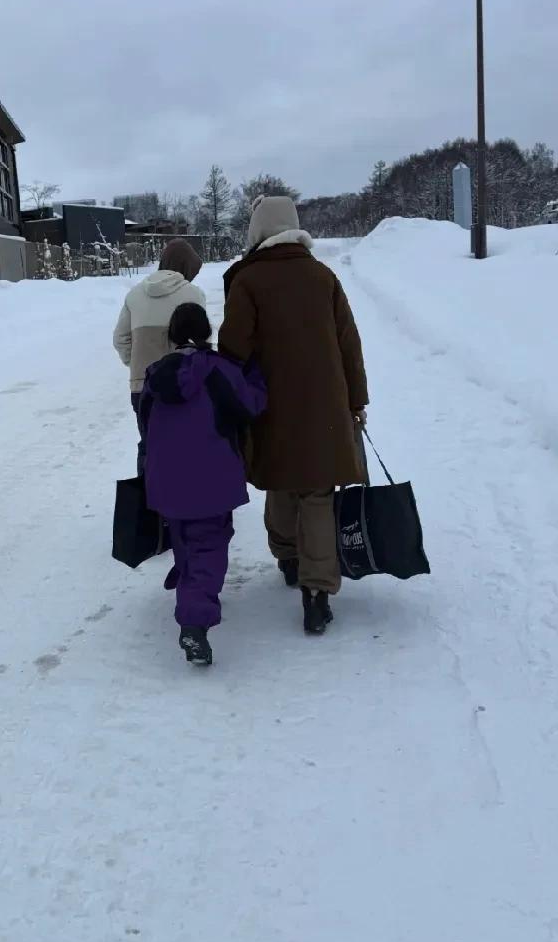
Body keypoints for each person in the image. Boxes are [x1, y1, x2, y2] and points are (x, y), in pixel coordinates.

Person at [218, 195, 369, 636]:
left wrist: (227, 398)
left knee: (281, 480)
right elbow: (349, 345)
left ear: (258, 231)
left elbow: (234, 348)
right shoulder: (324, 277)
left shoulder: (248, 281)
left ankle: (287, 557)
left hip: (271, 405)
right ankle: (317, 592)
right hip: (324, 405)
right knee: (317, 492)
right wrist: (355, 400)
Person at [140, 303, 267, 665]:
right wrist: (255, 372)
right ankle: (194, 622)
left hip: (165, 477)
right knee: (209, 545)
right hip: (211, 477)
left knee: (183, 536)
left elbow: (145, 425)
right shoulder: (219, 371)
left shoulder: (154, 376)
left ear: (172, 335)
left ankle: (189, 586)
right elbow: (251, 405)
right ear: (206, 332)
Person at [112, 239, 206, 475]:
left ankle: (146, 503)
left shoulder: (135, 294)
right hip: (184, 383)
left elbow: (120, 339)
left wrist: (136, 365)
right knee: (187, 443)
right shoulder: (193, 294)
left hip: (142, 387)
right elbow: (200, 342)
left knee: (148, 443)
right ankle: (184, 500)